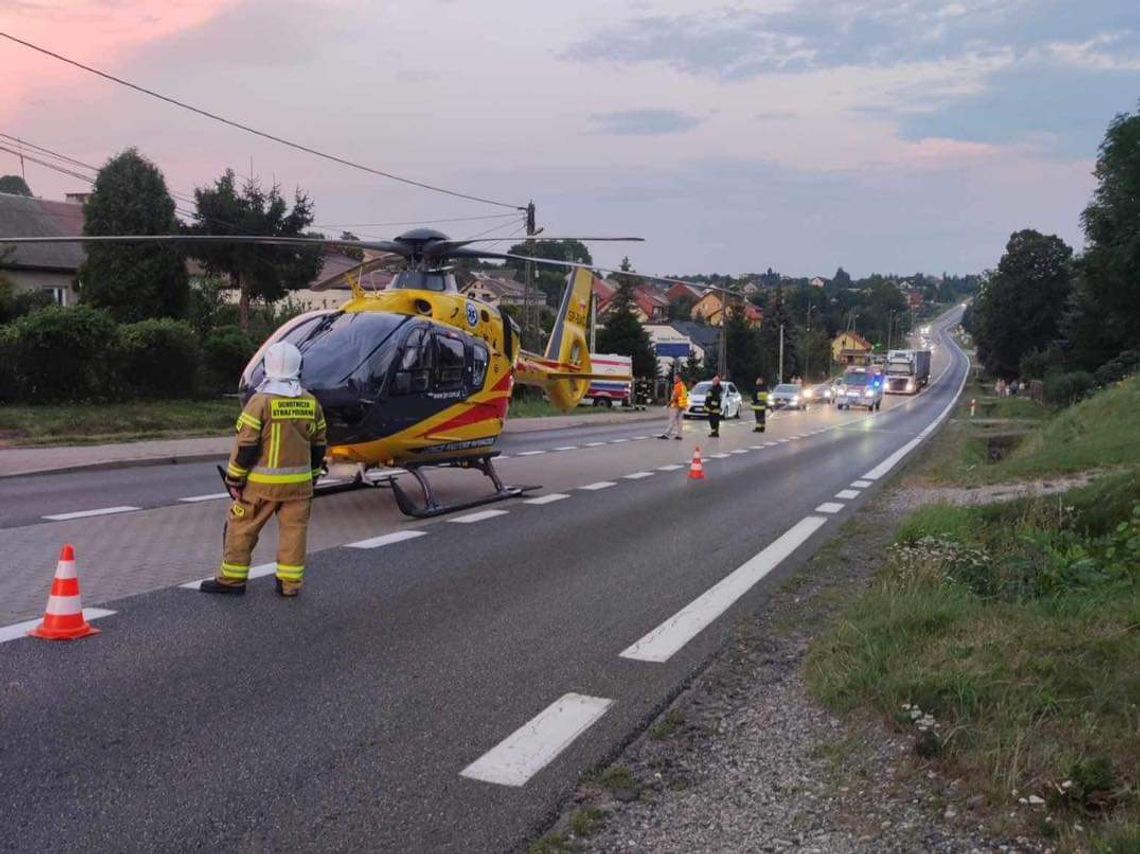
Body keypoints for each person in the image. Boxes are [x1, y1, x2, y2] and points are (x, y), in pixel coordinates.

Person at [201, 341, 327, 598]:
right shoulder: (311, 402)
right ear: (298, 367)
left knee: (241, 527)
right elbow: (319, 446)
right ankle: (289, 585)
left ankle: (232, 581)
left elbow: (246, 445)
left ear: (268, 367)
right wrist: (312, 478)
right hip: (300, 487)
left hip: (261, 486)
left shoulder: (259, 402)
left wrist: (235, 479)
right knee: (294, 533)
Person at [659, 375, 688, 440]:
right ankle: (679, 435)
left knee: (672, 420)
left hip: (676, 405)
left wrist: (669, 403)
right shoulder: (683, 385)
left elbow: (675, 396)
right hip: (681, 405)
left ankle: (666, 434)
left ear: (679, 378)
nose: (674, 379)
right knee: (679, 421)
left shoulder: (677, 386)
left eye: (675, 378)